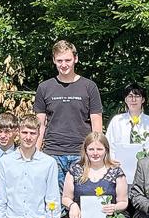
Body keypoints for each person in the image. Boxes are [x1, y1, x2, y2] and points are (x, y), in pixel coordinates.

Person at [34, 39, 103, 187]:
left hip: (82, 153)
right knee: (54, 202)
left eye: (68, 60)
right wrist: (35, 154)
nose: (64, 65)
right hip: (52, 153)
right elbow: (39, 125)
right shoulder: (44, 87)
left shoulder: (89, 87)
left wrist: (96, 151)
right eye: (59, 61)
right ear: (54, 60)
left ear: (75, 59)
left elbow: (96, 123)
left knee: (81, 199)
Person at [105, 83, 149, 151]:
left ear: (143, 100)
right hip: (119, 160)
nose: (133, 100)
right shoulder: (117, 121)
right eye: (130, 96)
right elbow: (108, 144)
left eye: (137, 96)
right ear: (126, 100)